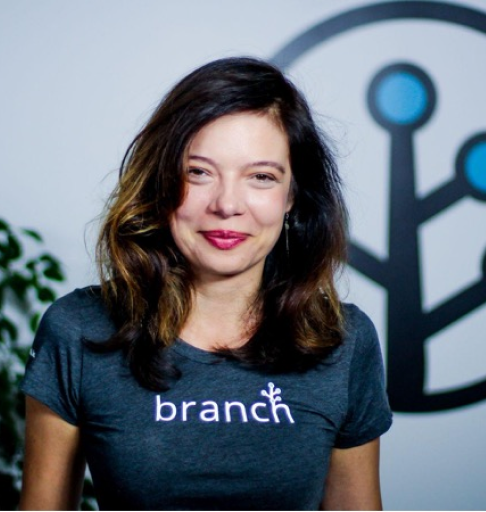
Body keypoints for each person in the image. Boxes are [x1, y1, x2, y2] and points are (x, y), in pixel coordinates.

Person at [19, 57, 392, 511]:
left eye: (261, 177)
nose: (227, 204)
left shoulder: (343, 342)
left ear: (292, 196)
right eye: (199, 172)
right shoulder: (78, 330)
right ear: (161, 184)